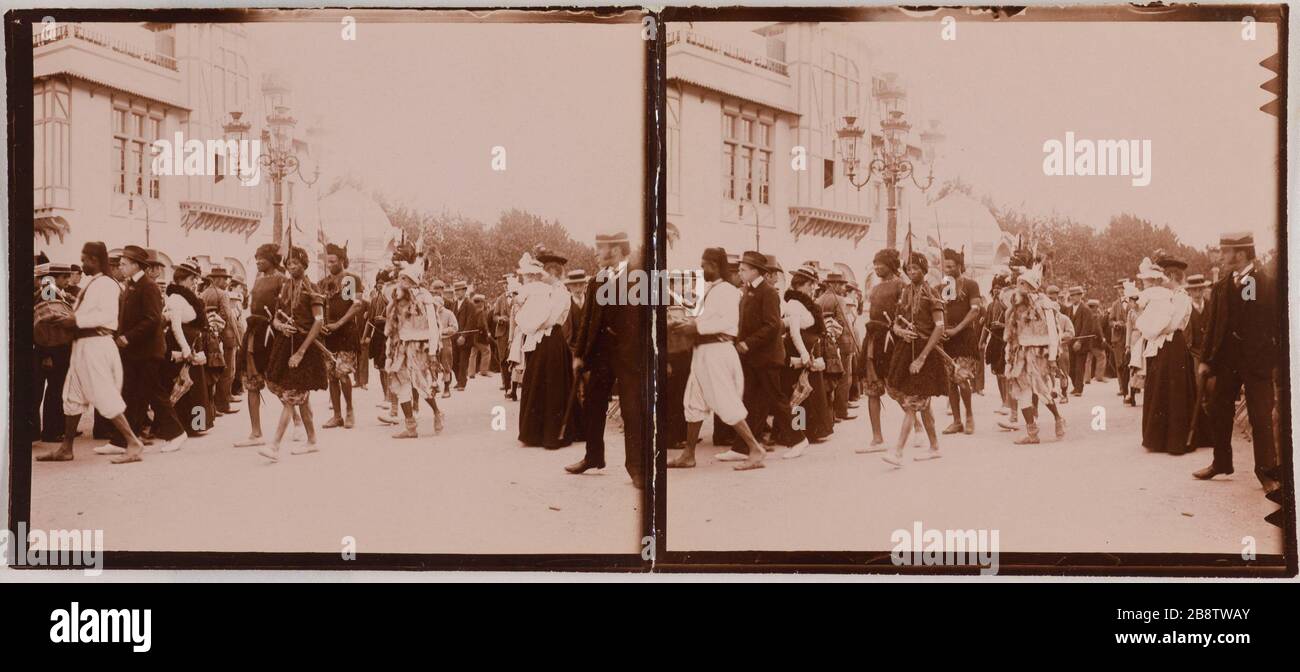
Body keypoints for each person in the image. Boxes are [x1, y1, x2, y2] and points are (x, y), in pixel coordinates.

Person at [36, 242, 147, 464]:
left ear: (94, 260)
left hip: (96, 345)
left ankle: (133, 443)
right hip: (83, 345)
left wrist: (73, 321)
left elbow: (107, 316)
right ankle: (66, 448)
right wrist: (65, 321)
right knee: (72, 396)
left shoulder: (106, 284)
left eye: (84, 260)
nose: (82, 264)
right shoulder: (94, 282)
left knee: (103, 395)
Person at [667, 247, 768, 470]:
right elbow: (703, 320)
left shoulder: (728, 291)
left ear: (714, 265)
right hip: (702, 352)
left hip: (717, 352)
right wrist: (684, 324)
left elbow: (729, 322)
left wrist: (696, 327)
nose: (701, 268)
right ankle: (688, 454)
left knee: (725, 401)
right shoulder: (710, 290)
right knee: (693, 402)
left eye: (704, 265)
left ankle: (755, 449)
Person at [1192, 232, 1279, 491]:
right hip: (1227, 362)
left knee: (1260, 417)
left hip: (1257, 363)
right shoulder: (1221, 286)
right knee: (1219, 410)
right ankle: (1221, 462)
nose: (1221, 256)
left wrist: (1271, 359)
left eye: (1225, 251)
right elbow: (1213, 327)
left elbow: (1277, 327)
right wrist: (1206, 360)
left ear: (1240, 254)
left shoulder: (1266, 284)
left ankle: (1266, 472)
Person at [565, 231, 646, 488]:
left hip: (630, 356)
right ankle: (593, 457)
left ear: (616, 249)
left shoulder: (638, 277)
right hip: (600, 355)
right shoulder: (596, 281)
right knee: (593, 404)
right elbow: (587, 321)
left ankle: (636, 468)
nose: (596, 252)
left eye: (601, 248)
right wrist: (579, 355)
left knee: (631, 410)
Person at [103, 245, 186, 456]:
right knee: (129, 394)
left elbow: (152, 319)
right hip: (134, 351)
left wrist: (127, 337)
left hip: (148, 351)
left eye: (124, 264)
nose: (120, 267)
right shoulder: (131, 285)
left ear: (135, 265)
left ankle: (177, 434)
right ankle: (121, 440)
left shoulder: (148, 286)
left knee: (154, 393)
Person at [715, 250, 789, 465]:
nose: (739, 272)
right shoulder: (748, 291)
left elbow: (773, 325)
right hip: (753, 357)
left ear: (756, 271)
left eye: (743, 269)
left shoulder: (769, 292)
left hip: (767, 357)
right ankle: (742, 447)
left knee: (777, 401)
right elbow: (744, 322)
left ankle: (799, 438)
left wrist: (748, 343)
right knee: (750, 401)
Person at [880, 253, 949, 465]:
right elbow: (895, 323)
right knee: (922, 403)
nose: (911, 272)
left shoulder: (932, 293)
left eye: (915, 268)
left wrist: (921, 358)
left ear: (924, 270)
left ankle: (898, 452)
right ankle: (935, 447)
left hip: (925, 353)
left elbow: (939, 328)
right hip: (905, 351)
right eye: (908, 269)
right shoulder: (905, 292)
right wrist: (901, 331)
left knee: (912, 403)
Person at [260, 246, 328, 462]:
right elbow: (275, 318)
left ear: (304, 265)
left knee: (291, 397)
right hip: (284, 345)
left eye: (296, 263)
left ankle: (274, 446)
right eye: (289, 263)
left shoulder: (312, 287)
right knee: (300, 397)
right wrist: (281, 326)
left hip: (304, 348)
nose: (291, 266)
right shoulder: (285, 287)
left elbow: (319, 322)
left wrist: (300, 352)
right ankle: (312, 441)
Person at [1134, 255, 1195, 454]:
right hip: (1161, 344)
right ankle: (1158, 438)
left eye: (1163, 277)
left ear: (1172, 276)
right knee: (1159, 387)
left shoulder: (1181, 297)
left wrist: (1151, 329)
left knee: (1174, 391)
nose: (1159, 282)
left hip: (1173, 345)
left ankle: (1174, 440)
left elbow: (1173, 325)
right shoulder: (1165, 296)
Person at [515, 250, 575, 449]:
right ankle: (535, 433)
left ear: (553, 273)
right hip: (542, 340)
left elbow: (549, 319)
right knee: (537, 382)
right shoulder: (547, 291)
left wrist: (529, 324)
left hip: (552, 340)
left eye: (543, 274)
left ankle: (551, 434)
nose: (540, 278)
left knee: (552, 387)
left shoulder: (560, 293)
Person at [1002, 265, 1066, 445]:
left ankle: (1058, 418)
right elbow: (1011, 331)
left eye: (1022, 283)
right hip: (1020, 354)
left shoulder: (1045, 305)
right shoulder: (1016, 306)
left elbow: (1053, 333)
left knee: (1042, 389)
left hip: (1039, 354)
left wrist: (1052, 358)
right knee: (1023, 392)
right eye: (1018, 283)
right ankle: (1032, 432)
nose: (1019, 287)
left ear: (1031, 286)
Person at [384, 265, 445, 438]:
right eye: (400, 278)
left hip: (419, 346)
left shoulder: (425, 297)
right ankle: (410, 426)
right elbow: (390, 318)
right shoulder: (397, 298)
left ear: (413, 281)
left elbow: (434, 326)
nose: (400, 281)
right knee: (400, 383)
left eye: (404, 278)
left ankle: (437, 412)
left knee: (421, 383)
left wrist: (432, 351)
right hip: (401, 346)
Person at [237, 244, 288, 446]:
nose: (258, 261)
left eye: (262, 258)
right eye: (256, 257)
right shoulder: (257, 278)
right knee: (252, 382)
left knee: (278, 383)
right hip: (253, 334)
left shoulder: (282, 279)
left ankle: (299, 422)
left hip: (271, 335)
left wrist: (276, 325)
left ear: (272, 260)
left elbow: (284, 308)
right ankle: (256, 433)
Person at [860, 249, 903, 449]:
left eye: (881, 263)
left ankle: (918, 427)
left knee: (898, 388)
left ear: (891, 265)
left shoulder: (901, 285)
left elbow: (903, 314)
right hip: (872, 340)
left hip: (891, 340)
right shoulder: (875, 288)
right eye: (875, 263)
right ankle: (877, 437)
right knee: (872, 389)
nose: (876, 267)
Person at [782, 265, 829, 451]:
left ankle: (808, 430)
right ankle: (798, 431)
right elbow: (794, 332)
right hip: (799, 351)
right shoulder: (794, 304)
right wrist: (803, 354)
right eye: (811, 285)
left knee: (808, 394)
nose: (813, 289)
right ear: (802, 284)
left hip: (808, 349)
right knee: (799, 394)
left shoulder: (803, 304)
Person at [319, 242, 365, 429]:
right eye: (327, 261)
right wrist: (320, 325)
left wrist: (338, 324)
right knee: (331, 376)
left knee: (343, 373)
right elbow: (318, 307)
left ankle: (349, 411)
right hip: (328, 335)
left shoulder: (349, 280)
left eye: (333, 261)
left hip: (346, 333)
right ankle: (337, 416)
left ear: (342, 261)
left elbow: (355, 305)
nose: (330, 265)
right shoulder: (323, 283)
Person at [939, 248, 983, 435]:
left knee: (962, 378)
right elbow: (940, 311)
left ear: (959, 266)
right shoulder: (944, 287)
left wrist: (956, 329)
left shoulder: (971, 285)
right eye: (945, 266)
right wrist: (942, 330)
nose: (947, 270)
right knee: (950, 382)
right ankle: (957, 421)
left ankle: (969, 416)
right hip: (947, 340)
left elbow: (975, 310)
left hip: (965, 338)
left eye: (951, 266)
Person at [34, 263, 75, 443]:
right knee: (54, 391)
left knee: (56, 390)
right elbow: (45, 327)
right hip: (53, 351)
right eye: (64, 277)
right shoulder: (49, 292)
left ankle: (56, 428)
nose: (68, 280)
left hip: (56, 349)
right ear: (54, 278)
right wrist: (47, 355)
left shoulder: (54, 291)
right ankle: (51, 431)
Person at [202, 265, 238, 415]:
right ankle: (223, 404)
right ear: (216, 279)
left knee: (211, 373)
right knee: (226, 372)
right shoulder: (223, 294)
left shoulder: (203, 293)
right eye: (224, 279)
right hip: (225, 337)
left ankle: (214, 405)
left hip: (209, 337)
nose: (226, 282)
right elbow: (226, 315)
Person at [1062, 286, 1096, 396]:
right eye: (1071, 295)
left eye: (1075, 295)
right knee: (1071, 368)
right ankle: (1076, 386)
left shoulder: (1086, 310)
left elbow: (1087, 327)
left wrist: (1080, 342)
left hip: (1082, 343)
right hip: (1071, 342)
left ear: (1080, 296)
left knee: (1079, 367)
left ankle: (1078, 389)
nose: (1072, 297)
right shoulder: (1069, 309)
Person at [451, 281, 473, 389]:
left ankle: (461, 383)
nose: (457, 293)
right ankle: (460, 380)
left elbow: (470, 322)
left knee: (463, 361)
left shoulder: (470, 304)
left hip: (465, 339)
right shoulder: (454, 304)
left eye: (459, 290)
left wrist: (463, 336)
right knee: (454, 361)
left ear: (464, 291)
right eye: (456, 290)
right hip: (454, 337)